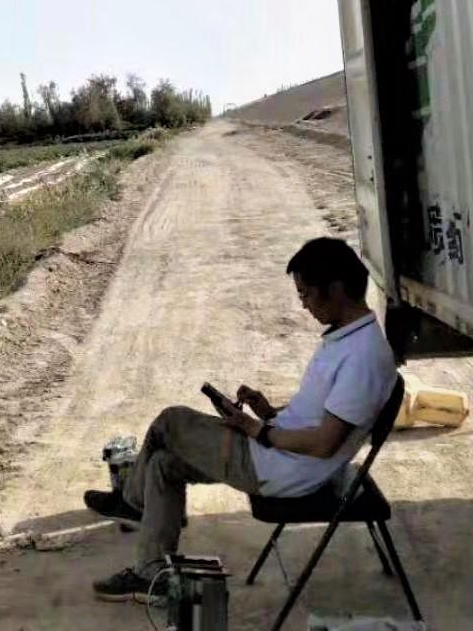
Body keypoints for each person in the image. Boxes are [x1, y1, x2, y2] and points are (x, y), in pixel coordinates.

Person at [84, 236, 398, 602]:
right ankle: (151, 575)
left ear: (337, 288)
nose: (304, 305)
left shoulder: (363, 357)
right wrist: (268, 412)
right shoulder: (349, 339)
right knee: (162, 464)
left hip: (281, 471)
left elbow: (326, 442)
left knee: (170, 423)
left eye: (307, 294)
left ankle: (131, 504)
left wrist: (259, 431)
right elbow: (321, 417)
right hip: (279, 453)